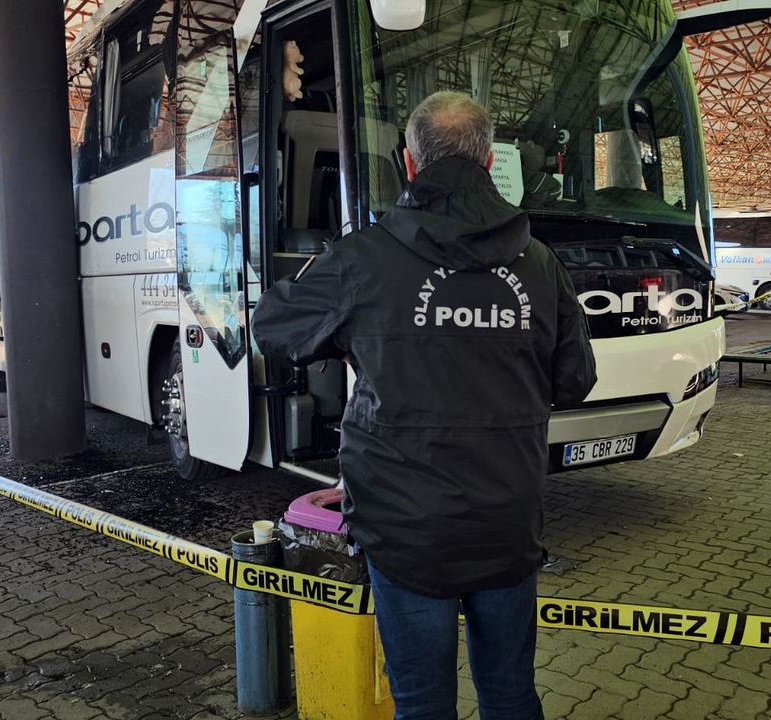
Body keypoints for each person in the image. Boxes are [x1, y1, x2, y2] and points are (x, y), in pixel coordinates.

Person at [251, 91, 596, 720]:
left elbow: (273, 328)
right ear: (489, 162)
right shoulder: (541, 263)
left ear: (409, 163)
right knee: (511, 694)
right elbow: (575, 380)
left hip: (403, 526)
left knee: (420, 704)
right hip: (506, 519)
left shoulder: (361, 258)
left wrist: (349, 333)